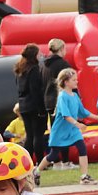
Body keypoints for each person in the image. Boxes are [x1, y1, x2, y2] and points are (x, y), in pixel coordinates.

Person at [34, 69, 98, 185]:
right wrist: (78, 124)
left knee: (82, 148)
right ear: (66, 82)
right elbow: (66, 115)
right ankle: (37, 171)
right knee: (53, 155)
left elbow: (83, 111)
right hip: (60, 131)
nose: (76, 82)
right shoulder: (62, 97)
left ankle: (84, 176)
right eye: (74, 80)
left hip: (72, 130)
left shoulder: (75, 96)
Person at [42, 38, 74, 169]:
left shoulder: (44, 65)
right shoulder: (63, 64)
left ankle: (56, 160)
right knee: (64, 130)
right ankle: (65, 161)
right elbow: (70, 83)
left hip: (48, 101)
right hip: (60, 101)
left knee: (54, 131)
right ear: (61, 49)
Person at [15, 43, 47, 164]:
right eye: (39, 53)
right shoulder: (34, 69)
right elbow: (35, 90)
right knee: (38, 134)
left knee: (30, 135)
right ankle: (40, 160)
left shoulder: (20, 69)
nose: (41, 55)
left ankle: (27, 161)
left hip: (23, 106)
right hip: (34, 106)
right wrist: (41, 109)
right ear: (34, 55)